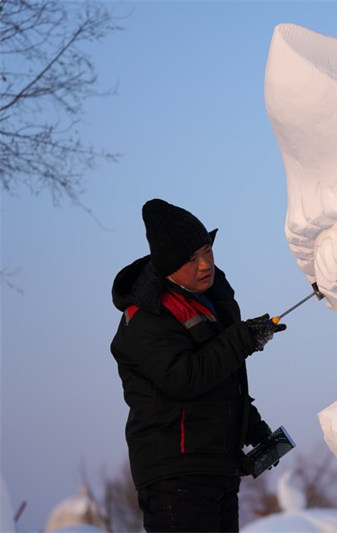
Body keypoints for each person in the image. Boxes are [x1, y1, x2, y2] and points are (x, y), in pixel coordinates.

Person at [110, 198, 286, 532]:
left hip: (218, 467)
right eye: (191, 258)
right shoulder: (147, 314)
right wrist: (242, 339)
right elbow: (184, 377)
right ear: (168, 265)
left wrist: (252, 428)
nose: (205, 264)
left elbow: (221, 380)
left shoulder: (211, 301)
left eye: (207, 251)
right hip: (176, 475)